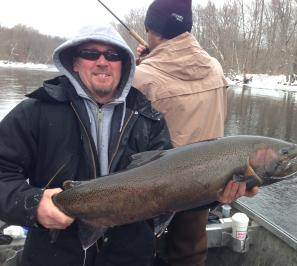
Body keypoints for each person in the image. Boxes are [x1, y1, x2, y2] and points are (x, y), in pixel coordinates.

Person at [0, 24, 173, 266]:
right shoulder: (34, 113)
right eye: (91, 54)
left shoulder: (150, 120)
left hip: (131, 258)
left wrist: (218, 193)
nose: (103, 61)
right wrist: (33, 204)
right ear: (74, 62)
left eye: (112, 55)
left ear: (124, 64)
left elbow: (176, 187)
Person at [133, 0, 258, 265]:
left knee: (138, 248)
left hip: (157, 186)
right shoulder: (215, 67)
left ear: (153, 31)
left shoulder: (142, 76)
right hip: (207, 185)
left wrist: (142, 65)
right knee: (190, 251)